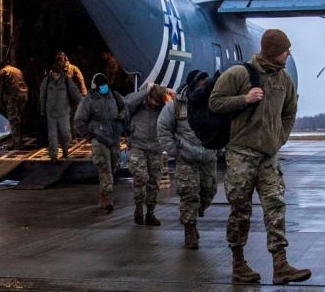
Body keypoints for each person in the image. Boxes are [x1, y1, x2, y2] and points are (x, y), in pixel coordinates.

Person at [209, 29, 311, 285]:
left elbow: (289, 113)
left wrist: (280, 138)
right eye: (285, 49)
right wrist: (244, 99)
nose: (289, 53)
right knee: (240, 210)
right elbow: (215, 103)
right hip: (241, 153)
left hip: (269, 155)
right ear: (274, 51)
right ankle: (238, 263)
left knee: (276, 205)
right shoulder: (239, 74)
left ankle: (281, 265)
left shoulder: (284, 80)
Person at [158, 69, 218, 250]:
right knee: (189, 193)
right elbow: (163, 128)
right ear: (192, 86)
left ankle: (196, 211)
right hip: (186, 157)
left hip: (208, 156)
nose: (203, 88)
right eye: (200, 85)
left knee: (209, 192)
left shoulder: (213, 103)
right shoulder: (176, 106)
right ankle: (189, 229)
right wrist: (174, 151)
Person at [73, 73, 127, 212]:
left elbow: (125, 108)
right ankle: (106, 199)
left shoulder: (114, 96)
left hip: (114, 139)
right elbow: (79, 121)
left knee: (114, 167)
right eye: (101, 86)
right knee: (105, 169)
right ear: (95, 87)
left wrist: (122, 118)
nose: (104, 88)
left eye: (105, 85)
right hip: (100, 140)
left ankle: (105, 194)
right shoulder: (88, 101)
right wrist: (90, 135)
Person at [124, 82, 169, 226]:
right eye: (153, 102)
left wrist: (168, 93)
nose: (154, 106)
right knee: (140, 178)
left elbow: (176, 109)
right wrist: (145, 92)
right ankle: (138, 209)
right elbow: (126, 104)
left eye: (157, 104)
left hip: (155, 148)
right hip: (138, 146)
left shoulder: (162, 106)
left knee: (154, 183)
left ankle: (150, 213)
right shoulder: (138, 102)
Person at [38, 62, 81, 161]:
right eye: (53, 73)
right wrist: (42, 110)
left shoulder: (66, 80)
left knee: (65, 134)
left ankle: (65, 150)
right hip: (51, 113)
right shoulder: (47, 81)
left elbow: (75, 93)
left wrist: (82, 103)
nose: (55, 76)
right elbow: (42, 96)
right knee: (52, 136)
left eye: (57, 73)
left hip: (64, 113)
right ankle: (53, 156)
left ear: (60, 73)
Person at [0, 64, 28, 149]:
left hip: (14, 96)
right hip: (24, 95)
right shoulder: (17, 70)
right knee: (19, 118)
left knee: (13, 119)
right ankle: (20, 139)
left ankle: (17, 143)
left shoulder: (3, 72)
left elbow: (0, 89)